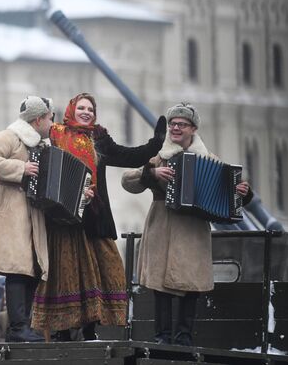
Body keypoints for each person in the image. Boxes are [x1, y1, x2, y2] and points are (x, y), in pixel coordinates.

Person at [31, 92, 167, 340]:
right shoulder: (55, 135)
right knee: (66, 273)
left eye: (91, 109)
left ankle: (90, 328)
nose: (86, 112)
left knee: (105, 270)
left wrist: (156, 143)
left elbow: (129, 156)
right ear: (72, 110)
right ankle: (63, 330)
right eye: (82, 108)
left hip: (94, 216)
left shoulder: (99, 139)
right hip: (62, 218)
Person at [121, 102, 252, 346]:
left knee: (190, 283)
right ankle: (162, 337)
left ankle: (184, 338)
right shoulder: (160, 157)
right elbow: (128, 181)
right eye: (172, 124)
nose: (175, 128)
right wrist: (151, 174)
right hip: (162, 226)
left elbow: (229, 196)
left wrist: (242, 192)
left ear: (193, 129)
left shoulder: (209, 159)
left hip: (193, 231)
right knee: (160, 285)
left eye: (181, 124)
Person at [0, 95, 54, 342]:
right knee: (18, 269)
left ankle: (24, 325)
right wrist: (20, 169)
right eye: (49, 118)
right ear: (38, 119)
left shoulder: (42, 144)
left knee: (31, 270)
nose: (51, 123)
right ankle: (17, 328)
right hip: (11, 214)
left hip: (31, 214)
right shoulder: (10, 136)